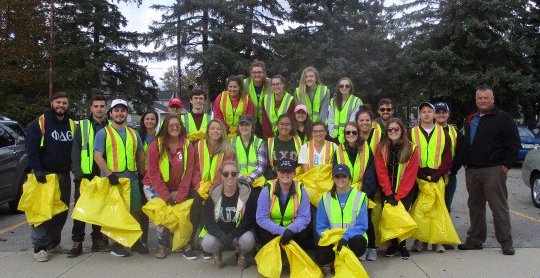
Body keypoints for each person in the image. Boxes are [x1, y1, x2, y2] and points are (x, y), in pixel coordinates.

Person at [459, 85, 520, 255]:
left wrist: (505, 166)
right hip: (472, 170)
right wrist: (465, 162)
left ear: (493, 99)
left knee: (498, 206)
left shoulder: (503, 118)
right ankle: (475, 239)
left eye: (486, 98)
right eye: (480, 98)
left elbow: (513, 144)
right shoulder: (471, 118)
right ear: (476, 99)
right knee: (475, 205)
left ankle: (506, 241)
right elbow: (466, 142)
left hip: (494, 170)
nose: (483, 100)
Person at [93, 99, 147, 257]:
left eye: (123, 110)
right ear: (110, 114)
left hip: (132, 179)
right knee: (116, 213)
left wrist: (142, 173)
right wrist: (110, 175)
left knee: (135, 210)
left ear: (127, 113)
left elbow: (140, 154)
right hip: (113, 181)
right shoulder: (103, 133)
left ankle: (135, 240)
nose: (119, 113)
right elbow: (98, 156)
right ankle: (118, 243)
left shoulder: (133, 133)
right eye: (116, 110)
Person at [26, 91, 76, 262]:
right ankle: (39, 247)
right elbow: (31, 148)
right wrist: (37, 169)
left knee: (61, 212)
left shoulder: (71, 124)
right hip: (45, 175)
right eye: (58, 102)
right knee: (43, 212)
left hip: (64, 174)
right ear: (52, 103)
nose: (61, 105)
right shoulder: (40, 123)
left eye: (64, 103)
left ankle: (53, 243)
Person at [142, 115, 199, 259]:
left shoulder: (187, 145)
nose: (175, 127)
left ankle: (183, 243)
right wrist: (166, 196)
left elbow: (189, 172)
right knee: (162, 215)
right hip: (154, 186)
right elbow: (153, 173)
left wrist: (179, 195)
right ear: (165, 127)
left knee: (182, 214)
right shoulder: (155, 145)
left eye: (177, 125)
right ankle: (162, 246)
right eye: (171, 125)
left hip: (179, 187)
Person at [68, 95, 109, 258]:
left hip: (103, 176)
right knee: (80, 210)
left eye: (102, 106)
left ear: (105, 108)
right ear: (91, 108)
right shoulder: (83, 126)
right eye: (96, 106)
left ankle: (97, 239)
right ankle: (77, 242)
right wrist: (78, 174)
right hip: (85, 176)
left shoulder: (110, 126)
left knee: (99, 208)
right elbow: (75, 151)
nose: (99, 109)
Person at [188, 119, 235, 260]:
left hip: (218, 187)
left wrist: (213, 187)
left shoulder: (227, 149)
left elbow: (226, 172)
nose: (215, 131)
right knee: (194, 208)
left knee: (210, 211)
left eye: (218, 129)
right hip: (199, 186)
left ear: (222, 132)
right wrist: (198, 185)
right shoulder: (198, 145)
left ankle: (206, 244)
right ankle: (189, 243)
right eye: (212, 128)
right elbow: (194, 167)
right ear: (207, 131)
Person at [409, 102, 452, 253]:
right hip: (418, 177)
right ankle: (419, 239)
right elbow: (408, 155)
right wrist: (418, 172)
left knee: (437, 209)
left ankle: (437, 241)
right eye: (423, 112)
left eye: (429, 111)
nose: (426, 114)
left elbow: (447, 157)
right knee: (419, 210)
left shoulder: (443, 133)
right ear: (419, 115)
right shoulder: (412, 133)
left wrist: (439, 173)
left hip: (436, 176)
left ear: (433, 115)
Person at [332, 122, 378, 261]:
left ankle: (371, 247)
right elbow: (335, 171)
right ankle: (353, 247)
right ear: (344, 135)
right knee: (349, 220)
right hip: (344, 190)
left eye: (354, 132)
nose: (351, 135)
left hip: (363, 191)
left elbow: (371, 173)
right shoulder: (339, 150)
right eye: (348, 132)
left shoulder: (366, 148)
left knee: (367, 219)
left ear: (358, 134)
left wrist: (363, 193)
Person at [374, 118, 419, 260]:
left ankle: (403, 245)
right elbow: (381, 172)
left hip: (404, 191)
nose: (393, 131)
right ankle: (393, 245)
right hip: (387, 190)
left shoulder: (412, 148)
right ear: (387, 132)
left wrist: (398, 196)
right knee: (389, 216)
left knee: (401, 216)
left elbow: (410, 174)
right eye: (390, 129)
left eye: (396, 129)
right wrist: (388, 193)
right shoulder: (381, 148)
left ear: (402, 131)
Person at [201, 161, 257, 270]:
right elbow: (207, 220)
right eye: (226, 174)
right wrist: (219, 233)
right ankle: (217, 255)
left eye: (233, 173)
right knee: (207, 243)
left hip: (238, 234)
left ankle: (242, 256)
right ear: (221, 175)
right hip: (220, 234)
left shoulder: (246, 192)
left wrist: (234, 234)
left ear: (238, 175)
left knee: (249, 240)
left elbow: (249, 220)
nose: (230, 177)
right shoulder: (214, 193)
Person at [315, 164, 368, 266]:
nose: (340, 179)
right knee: (320, 257)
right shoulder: (325, 198)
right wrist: (335, 239)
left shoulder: (360, 196)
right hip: (333, 238)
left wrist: (346, 237)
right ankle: (335, 260)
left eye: (344, 176)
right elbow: (321, 226)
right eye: (337, 176)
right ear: (333, 178)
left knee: (358, 244)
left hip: (352, 238)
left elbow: (362, 225)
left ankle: (351, 260)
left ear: (349, 178)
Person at [256, 158, 312, 249]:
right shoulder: (267, 189)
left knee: (304, 234)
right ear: (277, 173)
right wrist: (282, 231)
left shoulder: (301, 189)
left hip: (292, 230)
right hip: (272, 230)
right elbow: (261, 218)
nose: (285, 174)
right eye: (282, 171)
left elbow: (304, 217)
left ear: (294, 173)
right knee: (263, 233)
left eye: (289, 171)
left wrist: (290, 230)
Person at [433, 102, 462, 212]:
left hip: (449, 176)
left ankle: (446, 229)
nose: (441, 115)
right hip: (431, 176)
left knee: (445, 208)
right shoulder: (428, 131)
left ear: (448, 114)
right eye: (438, 112)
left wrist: (450, 171)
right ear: (434, 114)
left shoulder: (455, 132)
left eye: (443, 112)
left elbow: (459, 155)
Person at [232, 115, 267, 191]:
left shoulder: (260, 142)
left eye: (247, 125)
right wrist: (240, 178)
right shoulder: (232, 142)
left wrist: (249, 179)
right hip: (237, 181)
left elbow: (262, 166)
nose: (244, 127)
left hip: (256, 181)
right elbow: (230, 165)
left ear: (252, 127)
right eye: (241, 125)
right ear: (238, 127)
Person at [265, 114, 302, 180]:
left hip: (295, 179)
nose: (284, 127)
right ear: (277, 125)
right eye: (281, 124)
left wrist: (293, 179)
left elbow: (301, 164)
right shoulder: (269, 142)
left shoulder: (298, 141)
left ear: (291, 127)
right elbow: (266, 166)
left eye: (287, 125)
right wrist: (275, 180)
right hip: (275, 179)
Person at [260, 75, 295, 139]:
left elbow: (291, 121)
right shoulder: (266, 99)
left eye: (278, 84)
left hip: (286, 136)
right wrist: (269, 138)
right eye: (273, 84)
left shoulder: (290, 100)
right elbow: (265, 121)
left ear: (283, 85)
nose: (275, 86)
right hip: (270, 136)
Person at [328, 78, 362, 143]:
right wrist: (332, 135)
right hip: (334, 137)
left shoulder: (356, 101)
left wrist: (347, 135)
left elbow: (353, 121)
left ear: (350, 88)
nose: (344, 87)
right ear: (338, 87)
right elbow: (331, 120)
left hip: (348, 136)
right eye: (341, 86)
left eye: (347, 86)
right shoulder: (333, 101)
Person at [243, 60, 271, 127]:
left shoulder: (271, 83)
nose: (257, 75)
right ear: (251, 73)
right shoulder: (245, 83)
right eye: (254, 72)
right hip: (249, 120)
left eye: (259, 72)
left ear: (263, 73)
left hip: (266, 120)